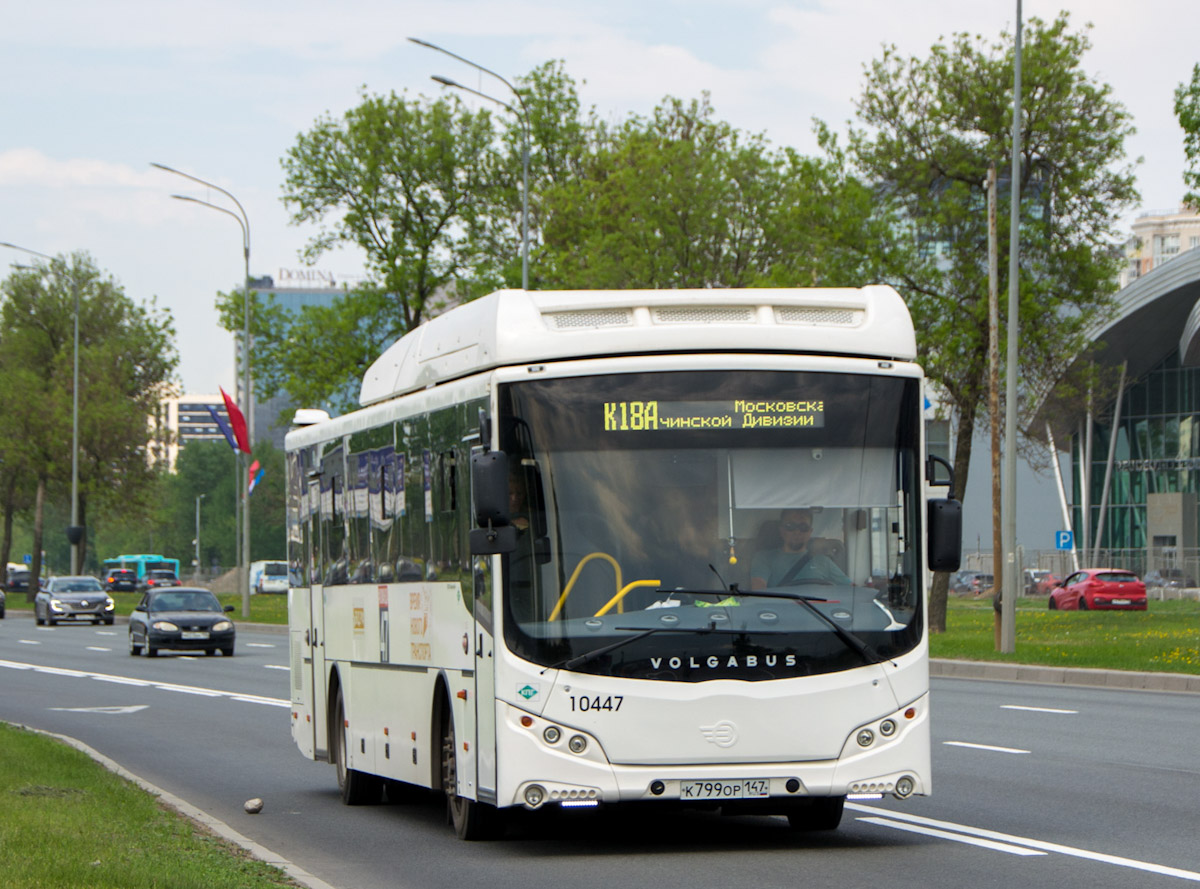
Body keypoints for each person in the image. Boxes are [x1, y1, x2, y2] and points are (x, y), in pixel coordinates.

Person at [751, 508, 851, 589]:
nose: (797, 532)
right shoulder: (764, 558)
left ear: (810, 532)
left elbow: (851, 590)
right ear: (781, 530)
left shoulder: (823, 561)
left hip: (819, 613)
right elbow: (759, 592)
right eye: (790, 526)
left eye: (803, 527)